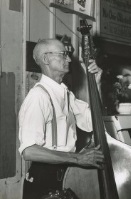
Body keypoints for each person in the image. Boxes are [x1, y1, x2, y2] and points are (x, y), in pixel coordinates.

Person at [18, 38, 104, 199]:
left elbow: (92, 122)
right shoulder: (38, 96)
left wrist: (96, 84)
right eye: (63, 54)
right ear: (45, 59)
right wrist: (78, 158)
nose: (69, 59)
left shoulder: (66, 94)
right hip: (45, 178)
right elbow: (29, 151)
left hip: (66, 172)